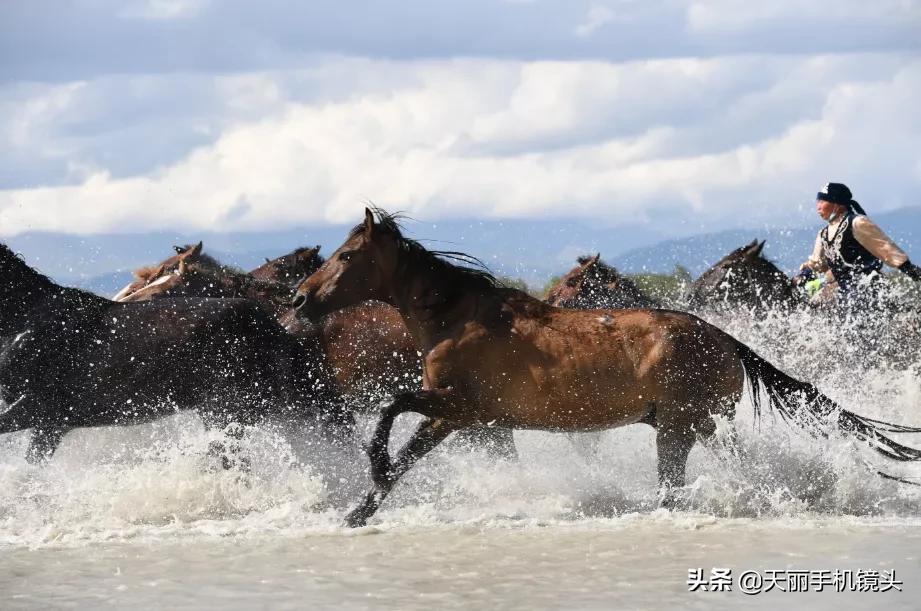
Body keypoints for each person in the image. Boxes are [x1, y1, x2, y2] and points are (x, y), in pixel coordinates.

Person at [794, 182, 921, 310]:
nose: (818, 206)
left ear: (838, 205)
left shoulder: (857, 223)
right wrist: (804, 273)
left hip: (867, 285)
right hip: (842, 288)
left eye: (823, 201)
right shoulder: (823, 234)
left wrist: (909, 269)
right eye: (818, 201)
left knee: (853, 304)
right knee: (809, 309)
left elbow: (885, 248)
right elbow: (818, 263)